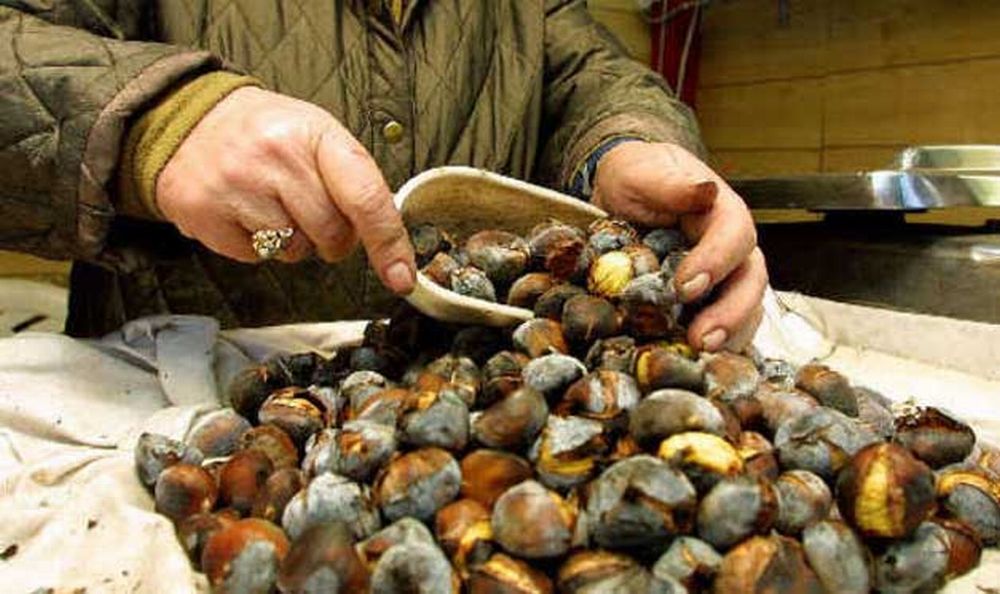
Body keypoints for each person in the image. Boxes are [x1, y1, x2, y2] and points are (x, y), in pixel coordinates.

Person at [0, 0, 766, 351]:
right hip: (160, 407)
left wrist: (629, 145)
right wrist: (156, 121)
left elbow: (592, 78)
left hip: (469, 408)